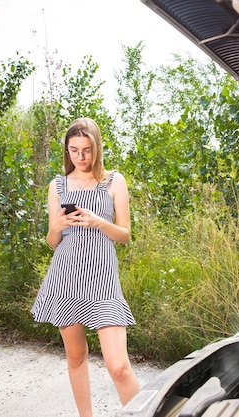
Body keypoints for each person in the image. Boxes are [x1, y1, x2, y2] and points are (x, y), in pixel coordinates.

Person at [31, 117, 139, 417]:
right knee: (76, 356)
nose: (80, 157)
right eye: (74, 150)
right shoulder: (58, 185)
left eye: (87, 150)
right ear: (67, 150)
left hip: (103, 279)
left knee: (118, 366)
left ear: (97, 148)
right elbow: (54, 241)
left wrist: (96, 221)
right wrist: (57, 225)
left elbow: (125, 235)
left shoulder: (114, 181)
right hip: (65, 276)